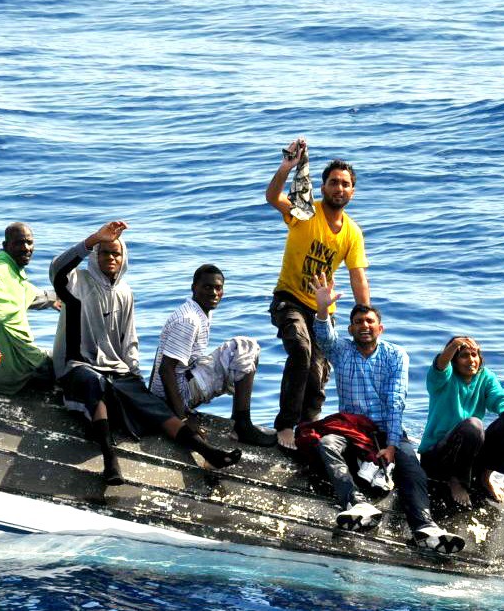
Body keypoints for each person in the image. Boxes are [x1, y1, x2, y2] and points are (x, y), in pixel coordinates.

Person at [51, 220, 239, 486]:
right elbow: (56, 269)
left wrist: (134, 374)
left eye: (116, 253)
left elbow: (130, 341)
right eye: (104, 252)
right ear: (95, 256)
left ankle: (208, 452)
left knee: (153, 406)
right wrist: (92, 240)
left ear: (123, 257)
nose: (110, 258)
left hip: (116, 370)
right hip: (78, 366)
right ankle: (110, 461)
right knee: (94, 385)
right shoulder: (76, 282)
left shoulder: (125, 292)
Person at [299, 272, 463, 554]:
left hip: (387, 429)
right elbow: (323, 337)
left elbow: (395, 400)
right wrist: (323, 308)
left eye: (370, 322)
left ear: (380, 328)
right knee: (327, 444)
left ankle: (425, 528)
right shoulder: (342, 350)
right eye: (358, 322)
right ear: (350, 329)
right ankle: (355, 503)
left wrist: (391, 445)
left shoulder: (396, 355)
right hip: (350, 430)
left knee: (411, 465)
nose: (364, 326)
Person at [264, 139, 370, 450]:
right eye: (334, 182)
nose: (340, 188)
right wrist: (286, 168)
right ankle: (284, 425)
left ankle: (306, 429)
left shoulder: (352, 232)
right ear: (322, 187)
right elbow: (272, 197)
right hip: (289, 298)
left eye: (346, 184)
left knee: (318, 372)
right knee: (300, 348)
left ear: (352, 192)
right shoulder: (305, 212)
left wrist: (365, 316)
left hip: (323, 309)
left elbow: (357, 276)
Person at [151, 264, 277, 447]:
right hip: (172, 395)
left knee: (241, 349)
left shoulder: (197, 311)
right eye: (207, 287)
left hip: (180, 383)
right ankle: (242, 425)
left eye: (218, 288)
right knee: (245, 347)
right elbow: (165, 370)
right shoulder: (189, 320)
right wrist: (182, 419)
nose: (214, 293)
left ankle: (240, 421)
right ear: (194, 287)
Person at [418, 335, 504, 510]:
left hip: (467, 456)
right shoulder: (442, 379)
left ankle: (484, 477)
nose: (471, 360)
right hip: (437, 458)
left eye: (474, 355)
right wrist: (454, 345)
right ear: (454, 360)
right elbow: (440, 365)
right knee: (474, 425)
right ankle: (456, 481)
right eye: (464, 355)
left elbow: (502, 400)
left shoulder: (485, 377)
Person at [0, 222, 59, 394]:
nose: (26, 248)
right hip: (19, 371)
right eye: (19, 243)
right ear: (6, 245)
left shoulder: (8, 266)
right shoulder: (2, 272)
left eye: (29, 242)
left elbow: (28, 293)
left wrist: (56, 298)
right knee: (71, 361)